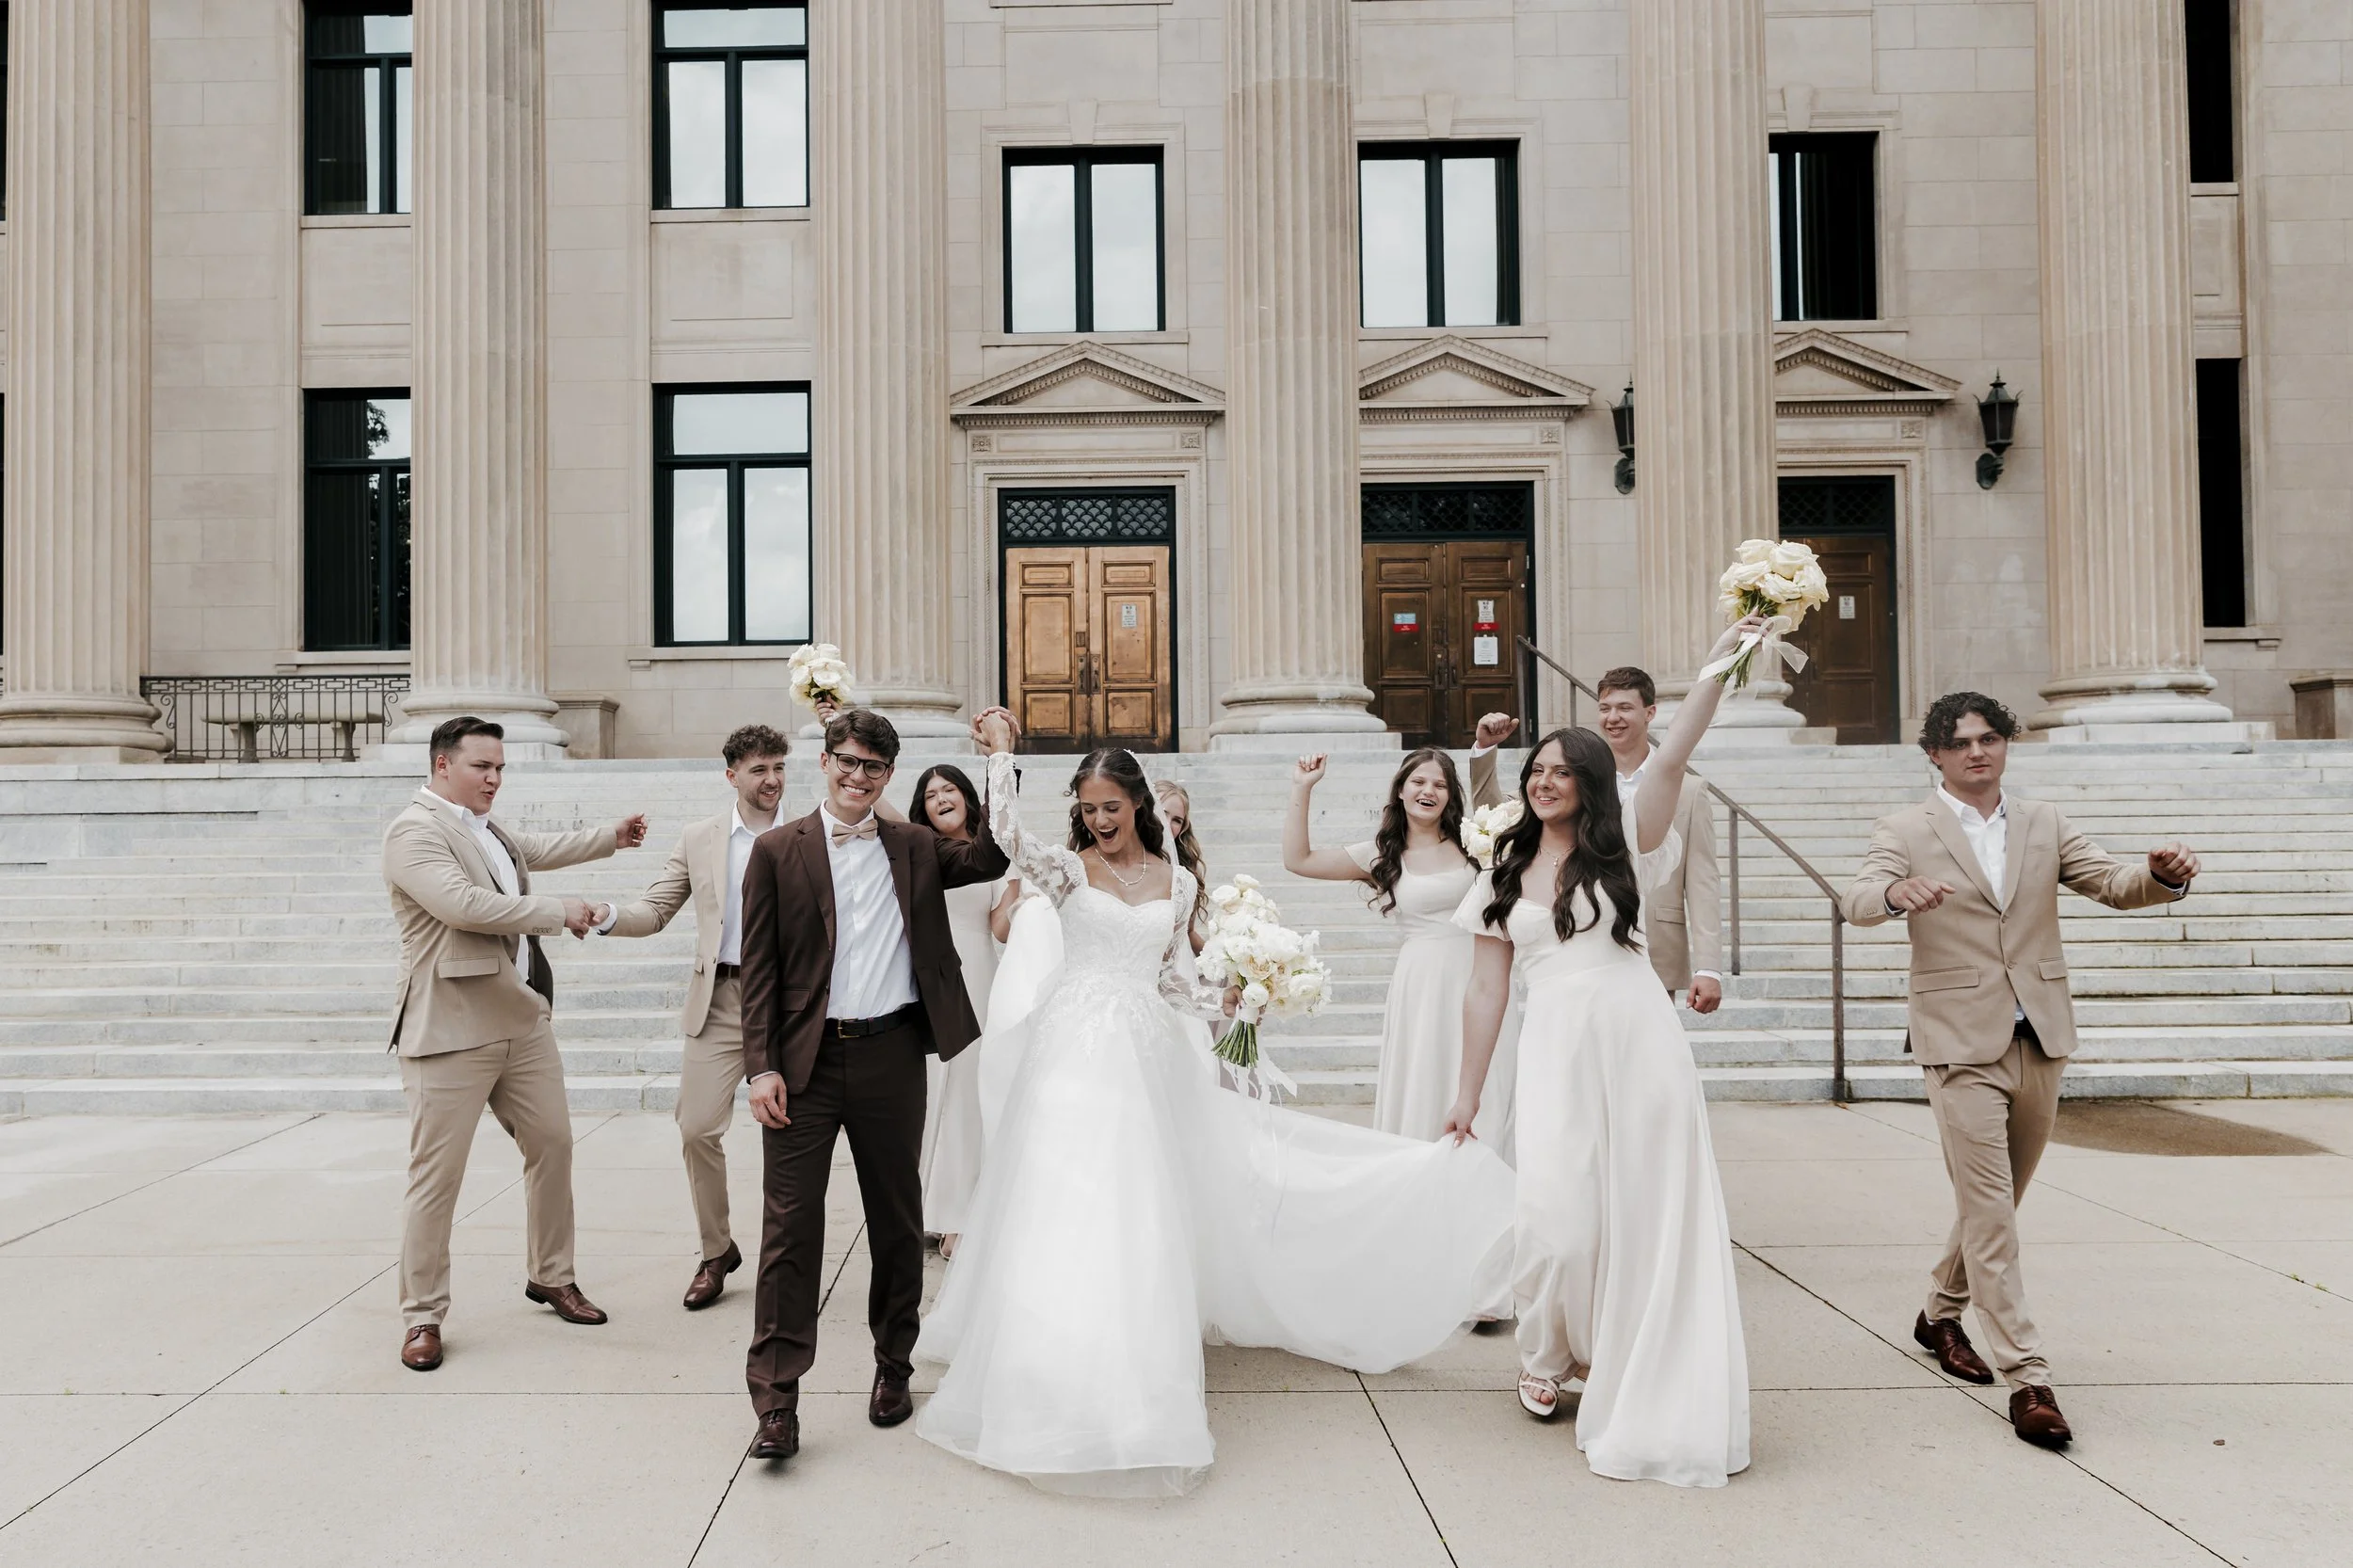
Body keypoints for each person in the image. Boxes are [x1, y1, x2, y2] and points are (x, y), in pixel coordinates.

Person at [915, 712, 1514, 1497]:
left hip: (1146, 1052)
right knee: (1067, 1198)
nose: (1099, 821)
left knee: (1136, 1205)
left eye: (1110, 807)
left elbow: (1172, 981)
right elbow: (1007, 841)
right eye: (1088, 808)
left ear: (1136, 804)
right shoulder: (1064, 869)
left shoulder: (1181, 882)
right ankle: (1046, 1366)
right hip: (1072, 1054)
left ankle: (1130, 1362)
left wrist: (1234, 996)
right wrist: (1001, 759)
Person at [1444, 616, 1765, 1488]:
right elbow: (1484, 991)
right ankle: (1548, 1350)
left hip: (1640, 1043)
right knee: (1556, 1218)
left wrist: (1721, 666)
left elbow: (1673, 752)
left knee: (1646, 1214)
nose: (1545, 781)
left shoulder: (1625, 842)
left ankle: (1622, 1362)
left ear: (1587, 781)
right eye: (1535, 771)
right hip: (1554, 1051)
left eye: (1559, 770)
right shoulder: (1501, 874)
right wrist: (1468, 1095)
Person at [1841, 692, 2198, 1450]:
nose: (1977, 752)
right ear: (1934, 755)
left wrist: (2162, 876)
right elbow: (1858, 898)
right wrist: (1896, 894)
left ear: (2006, 745)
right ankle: (2029, 1379)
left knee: (1999, 1202)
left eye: (1990, 739)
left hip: (2040, 1034)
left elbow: (2113, 885)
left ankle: (1939, 1314)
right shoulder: (1906, 828)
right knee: (1992, 1212)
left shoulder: (2044, 823)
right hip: (1958, 1041)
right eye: (1960, 742)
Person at [736, 708, 1012, 1464]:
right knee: (789, 1232)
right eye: (847, 763)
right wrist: (760, 1066)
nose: (858, 778)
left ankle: (894, 1367)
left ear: (891, 776)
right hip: (803, 1066)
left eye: (874, 769)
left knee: (896, 1225)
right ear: (824, 762)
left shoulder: (916, 847)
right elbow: (757, 970)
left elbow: (991, 857)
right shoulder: (774, 850)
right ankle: (777, 1402)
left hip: (893, 1053)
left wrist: (1000, 758)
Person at [378, 715, 648, 1371]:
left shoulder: (486, 827)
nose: (495, 778)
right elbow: (466, 905)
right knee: (436, 1180)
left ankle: (551, 1274)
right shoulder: (413, 832)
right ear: (444, 765)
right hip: (451, 1030)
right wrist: (560, 911)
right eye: (482, 767)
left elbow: (534, 849)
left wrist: (608, 839)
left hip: (521, 1021)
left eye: (500, 767)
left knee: (553, 1145)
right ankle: (422, 1316)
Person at [598, 724, 792, 1311]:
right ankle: (717, 1250)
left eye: (779, 767)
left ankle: (789, 1264)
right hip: (721, 1002)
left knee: (792, 1138)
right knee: (696, 1129)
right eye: (758, 770)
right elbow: (656, 909)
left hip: (790, 1005)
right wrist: (604, 915)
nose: (772, 780)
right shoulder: (700, 838)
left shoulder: (810, 833)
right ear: (731, 775)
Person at [1283, 748, 1514, 1150]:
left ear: (1450, 795)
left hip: (1481, 973)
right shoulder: (1381, 853)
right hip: (1421, 982)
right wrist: (1303, 788)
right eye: (1419, 782)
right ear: (1401, 792)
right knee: (1426, 1075)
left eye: (1440, 784)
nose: (1429, 791)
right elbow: (1298, 859)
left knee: (1489, 1080)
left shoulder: (1471, 842)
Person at [1470, 669, 1723, 1014]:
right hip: (1580, 938)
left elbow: (1703, 880)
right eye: (1605, 708)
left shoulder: (1689, 791)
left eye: (1624, 708)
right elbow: (1499, 817)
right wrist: (1485, 750)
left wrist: (1707, 966)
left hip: (1654, 945)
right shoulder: (1570, 781)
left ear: (1650, 712)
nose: (1613, 718)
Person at [908, 762, 1023, 1257]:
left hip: (975, 978)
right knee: (925, 1097)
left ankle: (957, 1216)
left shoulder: (990, 854)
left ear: (968, 796)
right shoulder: (914, 849)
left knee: (964, 1101)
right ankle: (916, 1212)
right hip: (921, 984)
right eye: (930, 794)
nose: (940, 799)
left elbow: (1001, 929)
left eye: (949, 789)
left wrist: (1017, 891)